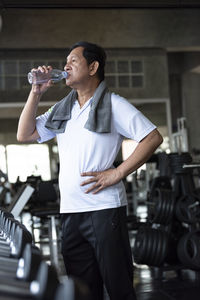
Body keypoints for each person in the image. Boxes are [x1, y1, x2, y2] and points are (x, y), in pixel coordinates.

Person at [17, 41, 163, 300]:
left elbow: (152, 138)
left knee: (119, 288)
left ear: (93, 67)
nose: (66, 66)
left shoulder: (114, 104)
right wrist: (36, 92)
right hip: (71, 212)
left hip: (104, 210)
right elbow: (24, 134)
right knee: (82, 291)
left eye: (74, 61)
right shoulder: (64, 109)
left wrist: (117, 173)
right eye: (66, 61)